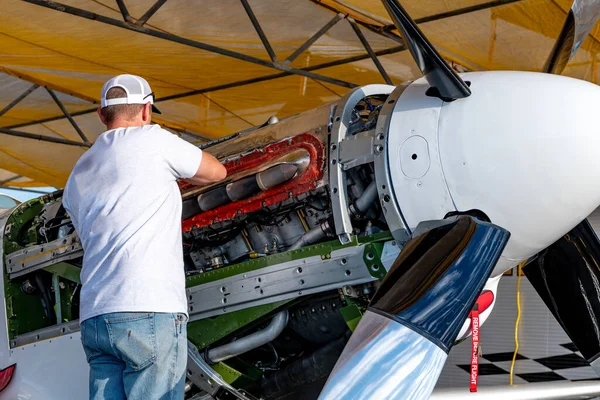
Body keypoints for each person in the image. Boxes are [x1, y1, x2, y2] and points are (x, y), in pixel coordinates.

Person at [62, 74, 227, 400]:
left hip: (96, 316)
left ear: (101, 115)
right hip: (147, 307)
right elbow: (217, 172)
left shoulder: (78, 172)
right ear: (146, 110)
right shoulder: (154, 140)